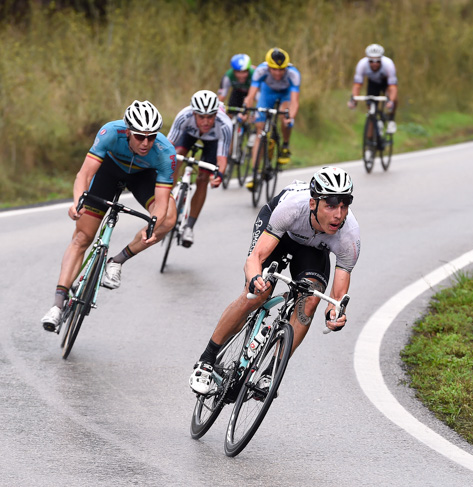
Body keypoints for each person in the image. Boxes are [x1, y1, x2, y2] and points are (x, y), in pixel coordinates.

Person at [189, 167, 360, 395]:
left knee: (309, 302)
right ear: (313, 204)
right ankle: (207, 360)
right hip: (280, 234)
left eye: (344, 205)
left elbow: (336, 297)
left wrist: (334, 314)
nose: (338, 215)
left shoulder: (349, 236)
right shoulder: (291, 209)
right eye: (330, 205)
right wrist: (254, 278)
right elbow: (255, 258)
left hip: (313, 249)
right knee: (256, 295)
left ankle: (270, 373)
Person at [41, 100, 177, 331]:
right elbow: (84, 175)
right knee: (82, 237)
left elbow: (161, 204)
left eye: (151, 136)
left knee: (169, 219)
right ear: (127, 131)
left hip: (142, 177)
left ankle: (116, 262)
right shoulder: (110, 133)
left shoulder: (166, 152)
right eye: (139, 136)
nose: (146, 143)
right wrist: (77, 203)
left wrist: (154, 225)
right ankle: (57, 304)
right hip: (108, 172)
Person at [167, 89, 232, 247]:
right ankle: (168, 195)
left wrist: (219, 175)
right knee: (176, 154)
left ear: (216, 114)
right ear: (193, 113)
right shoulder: (184, 116)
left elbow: (222, 158)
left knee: (203, 179)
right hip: (188, 134)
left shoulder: (225, 125)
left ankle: (189, 226)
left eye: (210, 117)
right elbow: (168, 146)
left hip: (214, 142)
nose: (206, 122)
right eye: (201, 117)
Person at [243, 47, 300, 188]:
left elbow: (294, 102)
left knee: (285, 114)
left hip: (285, 94)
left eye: (281, 69)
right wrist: (247, 110)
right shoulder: (260, 71)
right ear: (268, 66)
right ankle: (255, 173)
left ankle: (285, 145)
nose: (278, 73)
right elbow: (250, 96)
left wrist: (290, 117)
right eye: (274, 69)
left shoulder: (293, 74)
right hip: (267, 94)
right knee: (259, 132)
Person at [348, 43, 399, 136]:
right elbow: (357, 85)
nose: (374, 63)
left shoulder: (389, 65)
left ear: (381, 60)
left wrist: (391, 101)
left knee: (393, 98)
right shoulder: (362, 64)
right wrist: (354, 100)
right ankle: (370, 143)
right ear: (368, 60)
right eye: (371, 61)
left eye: (377, 61)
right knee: (370, 110)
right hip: (373, 84)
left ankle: (391, 120)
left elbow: (393, 87)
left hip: (386, 83)